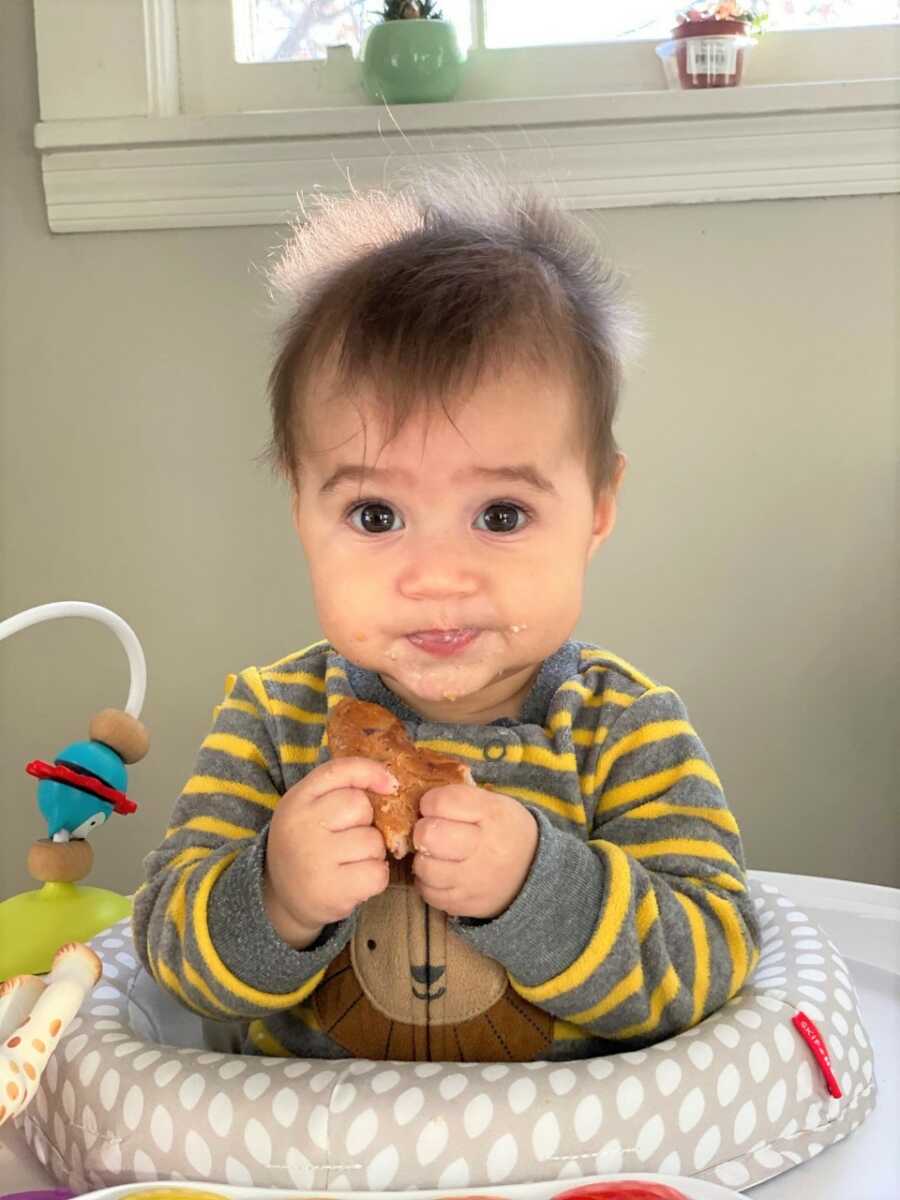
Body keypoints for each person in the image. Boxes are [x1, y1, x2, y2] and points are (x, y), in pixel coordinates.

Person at [132, 162, 761, 1062]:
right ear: (301, 510)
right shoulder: (270, 723)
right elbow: (169, 960)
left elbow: (709, 964)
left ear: (599, 508)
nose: (434, 577)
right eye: (375, 515)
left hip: (565, 1168)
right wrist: (275, 894)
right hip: (310, 1170)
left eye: (501, 515)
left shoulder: (625, 731)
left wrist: (539, 886)